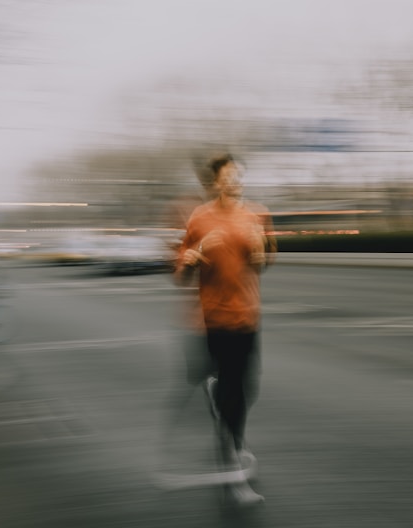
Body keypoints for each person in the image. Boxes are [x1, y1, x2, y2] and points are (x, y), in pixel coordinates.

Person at [174, 152, 276, 506]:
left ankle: (230, 425)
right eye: (229, 175)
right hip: (215, 320)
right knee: (233, 398)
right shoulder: (200, 218)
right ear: (215, 182)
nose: (235, 180)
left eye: (239, 175)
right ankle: (233, 472)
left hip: (248, 317)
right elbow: (181, 273)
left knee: (247, 390)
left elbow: (265, 261)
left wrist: (261, 252)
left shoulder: (257, 214)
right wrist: (195, 254)